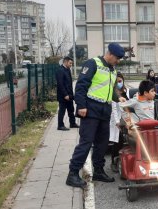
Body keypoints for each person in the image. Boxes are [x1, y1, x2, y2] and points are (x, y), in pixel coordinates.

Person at [66, 42, 126, 188]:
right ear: (110, 54)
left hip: (105, 110)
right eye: (117, 58)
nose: (118, 61)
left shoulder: (112, 70)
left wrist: (118, 98)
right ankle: (73, 174)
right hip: (91, 109)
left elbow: (109, 90)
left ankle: (98, 170)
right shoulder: (93, 63)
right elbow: (81, 85)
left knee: (102, 143)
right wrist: (81, 106)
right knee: (86, 142)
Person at [110, 72, 129, 172]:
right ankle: (114, 160)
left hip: (126, 117)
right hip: (115, 119)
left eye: (120, 81)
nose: (119, 83)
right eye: (117, 82)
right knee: (118, 139)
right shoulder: (113, 92)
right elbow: (114, 108)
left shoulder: (126, 90)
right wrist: (117, 122)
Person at [55, 56, 79, 131]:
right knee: (62, 110)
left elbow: (69, 83)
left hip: (69, 95)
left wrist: (71, 95)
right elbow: (60, 84)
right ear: (65, 62)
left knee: (71, 109)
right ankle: (60, 125)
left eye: (71, 63)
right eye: (70, 63)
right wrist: (65, 95)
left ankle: (72, 123)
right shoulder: (60, 70)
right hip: (63, 96)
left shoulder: (67, 70)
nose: (71, 64)